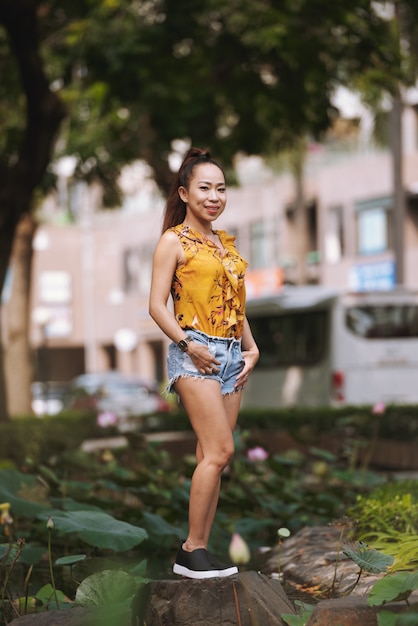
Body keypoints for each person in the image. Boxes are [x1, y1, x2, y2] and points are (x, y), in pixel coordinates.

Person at [149, 147, 259, 580]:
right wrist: (187, 344)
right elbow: (157, 306)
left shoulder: (223, 244)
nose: (214, 196)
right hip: (196, 353)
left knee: (211, 457)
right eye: (205, 188)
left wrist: (252, 348)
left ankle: (201, 550)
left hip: (232, 355)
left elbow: (235, 305)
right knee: (220, 450)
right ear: (185, 192)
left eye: (221, 188)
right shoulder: (173, 241)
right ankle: (189, 549)